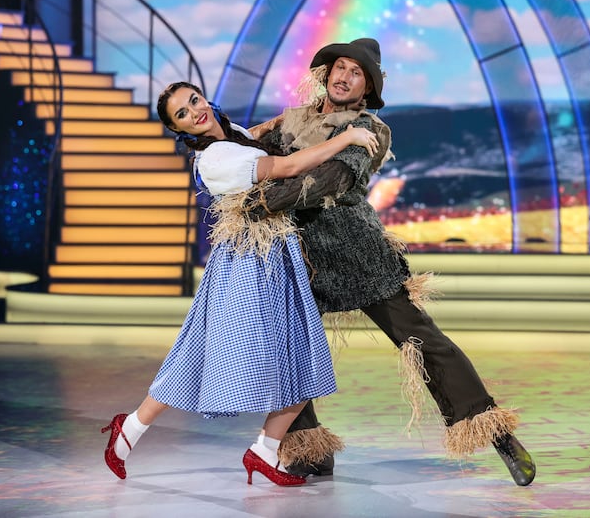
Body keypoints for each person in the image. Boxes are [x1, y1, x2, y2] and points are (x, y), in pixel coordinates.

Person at [246, 38, 536, 486]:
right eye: (340, 67)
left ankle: (493, 430)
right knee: (287, 351)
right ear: (327, 73)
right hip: (299, 256)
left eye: (356, 72)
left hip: (358, 252)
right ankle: (306, 448)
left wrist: (256, 200)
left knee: (421, 338)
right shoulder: (290, 122)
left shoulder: (369, 130)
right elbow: (242, 152)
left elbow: (329, 181)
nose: (344, 76)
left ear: (367, 88)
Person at [100, 81, 380, 487]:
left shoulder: (229, 135)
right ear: (180, 130)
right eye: (183, 114)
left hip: (275, 256)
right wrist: (349, 137)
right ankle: (130, 430)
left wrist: (288, 118)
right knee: (200, 355)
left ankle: (263, 451)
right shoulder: (215, 159)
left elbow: (254, 134)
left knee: (304, 356)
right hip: (246, 264)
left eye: (194, 100)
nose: (195, 111)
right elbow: (286, 168)